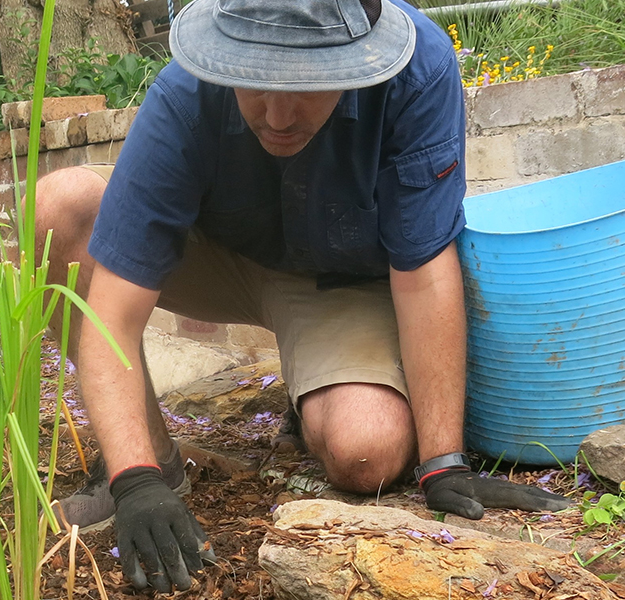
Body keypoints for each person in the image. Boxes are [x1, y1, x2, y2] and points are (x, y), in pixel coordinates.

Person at [33, 0, 570, 592]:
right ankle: (154, 460)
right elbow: (110, 314)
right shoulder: (186, 91)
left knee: (366, 451)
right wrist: (135, 480)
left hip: (343, 281)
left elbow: (422, 271)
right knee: (59, 207)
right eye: (256, 84)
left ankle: (314, 389)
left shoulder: (419, 70)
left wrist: (443, 463)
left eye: (309, 85)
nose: (280, 115)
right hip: (213, 258)